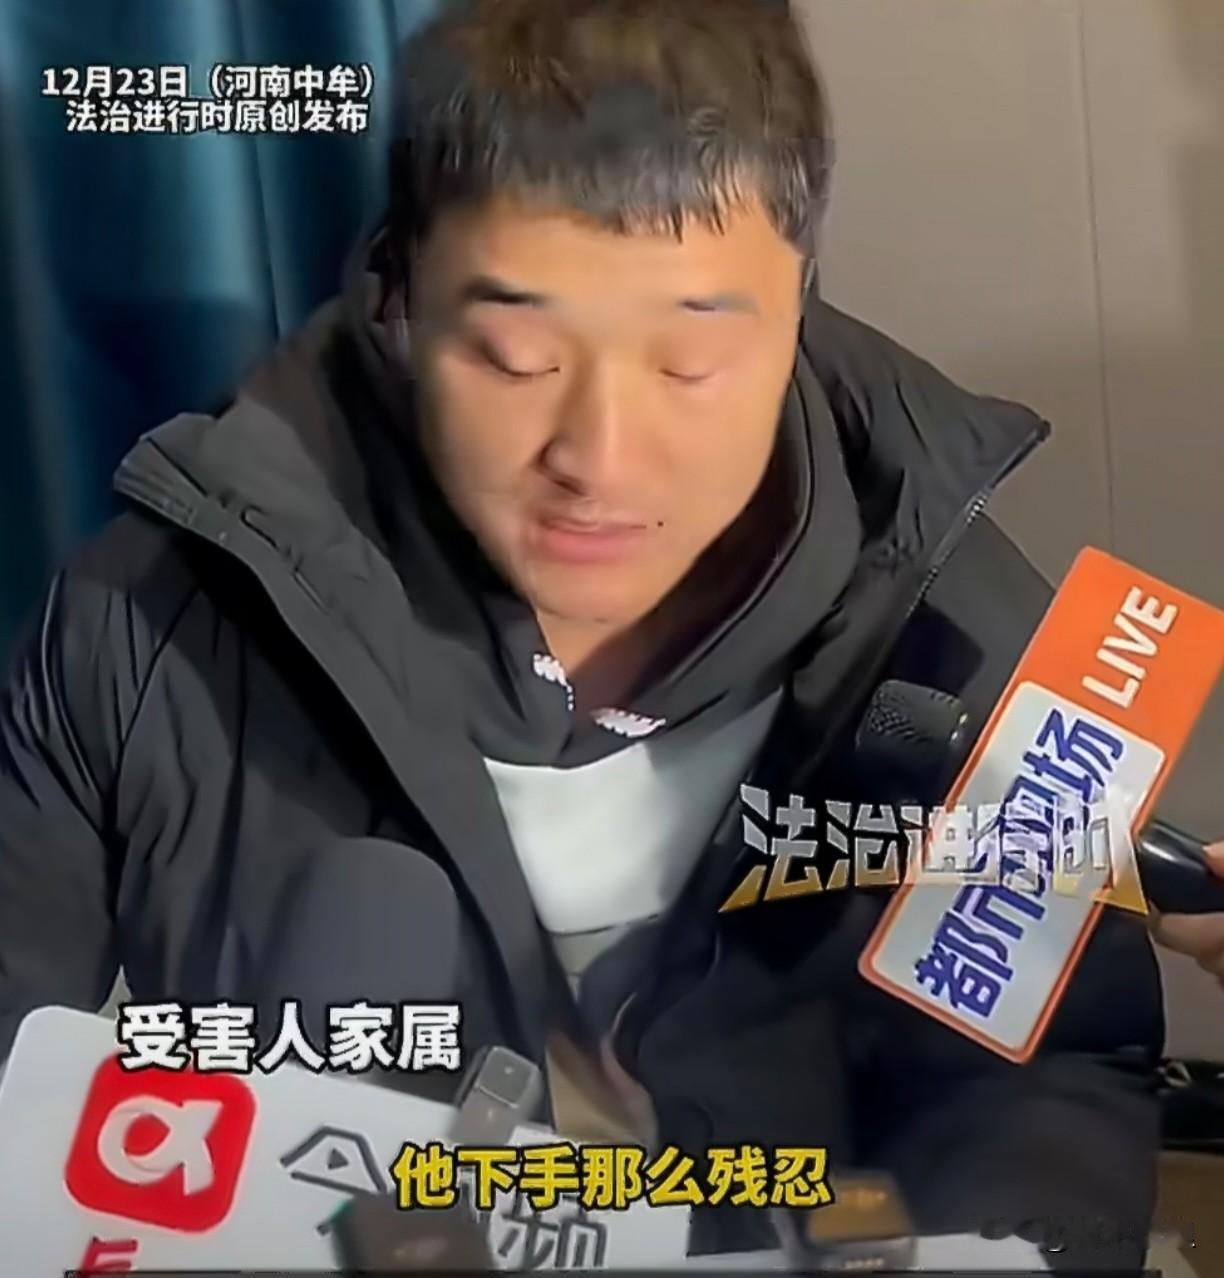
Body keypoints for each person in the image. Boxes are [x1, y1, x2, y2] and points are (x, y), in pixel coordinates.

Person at [0, 0, 1218, 1265]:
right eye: (515, 356)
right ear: (400, 302)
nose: (599, 457)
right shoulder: (151, 629)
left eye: (689, 364)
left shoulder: (966, 651)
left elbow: (1043, 1107)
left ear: (798, 305)